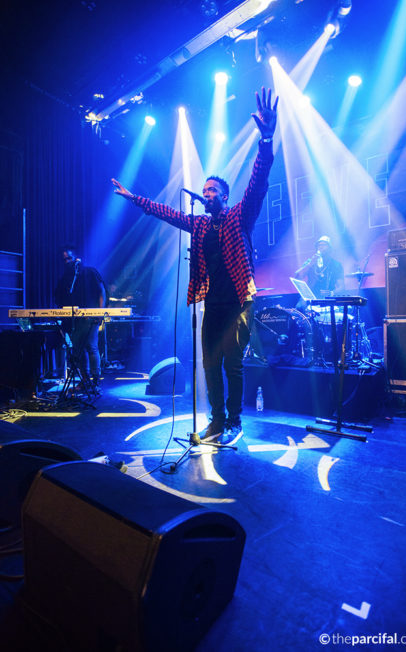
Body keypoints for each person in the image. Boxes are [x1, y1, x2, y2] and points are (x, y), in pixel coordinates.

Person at [112, 87, 278, 444]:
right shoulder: (200, 224)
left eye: (213, 190)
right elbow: (167, 213)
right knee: (209, 363)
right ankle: (216, 421)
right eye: (205, 190)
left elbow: (257, 184)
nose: (207, 194)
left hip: (239, 300)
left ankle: (234, 422)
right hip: (212, 303)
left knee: (232, 363)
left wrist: (266, 141)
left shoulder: (239, 216)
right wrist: (134, 199)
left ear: (225, 196)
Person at [54, 245, 107, 393]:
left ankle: (95, 381)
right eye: (64, 259)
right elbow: (59, 298)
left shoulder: (89, 272)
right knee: (77, 350)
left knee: (91, 347)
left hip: (91, 317)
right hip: (73, 319)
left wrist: (100, 312)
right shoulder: (66, 278)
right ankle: (85, 381)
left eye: (69, 258)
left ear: (77, 258)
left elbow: (101, 291)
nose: (67, 262)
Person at [294, 235, 344, 299]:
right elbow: (297, 277)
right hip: (310, 298)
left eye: (323, 245)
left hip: (327, 299)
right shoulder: (311, 262)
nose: (320, 247)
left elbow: (341, 287)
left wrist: (331, 293)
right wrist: (310, 264)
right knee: (299, 305)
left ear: (330, 248)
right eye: (319, 245)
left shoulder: (336, 265)